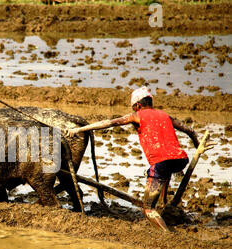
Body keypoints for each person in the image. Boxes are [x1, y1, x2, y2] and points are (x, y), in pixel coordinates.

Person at [65, 86, 199, 232]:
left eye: (134, 108)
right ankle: (163, 203)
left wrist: (78, 130)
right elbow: (190, 131)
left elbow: (109, 123)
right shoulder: (165, 115)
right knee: (165, 172)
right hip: (181, 159)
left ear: (138, 106)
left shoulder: (137, 115)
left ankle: (167, 235)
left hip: (161, 162)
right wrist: (198, 146)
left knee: (148, 209)